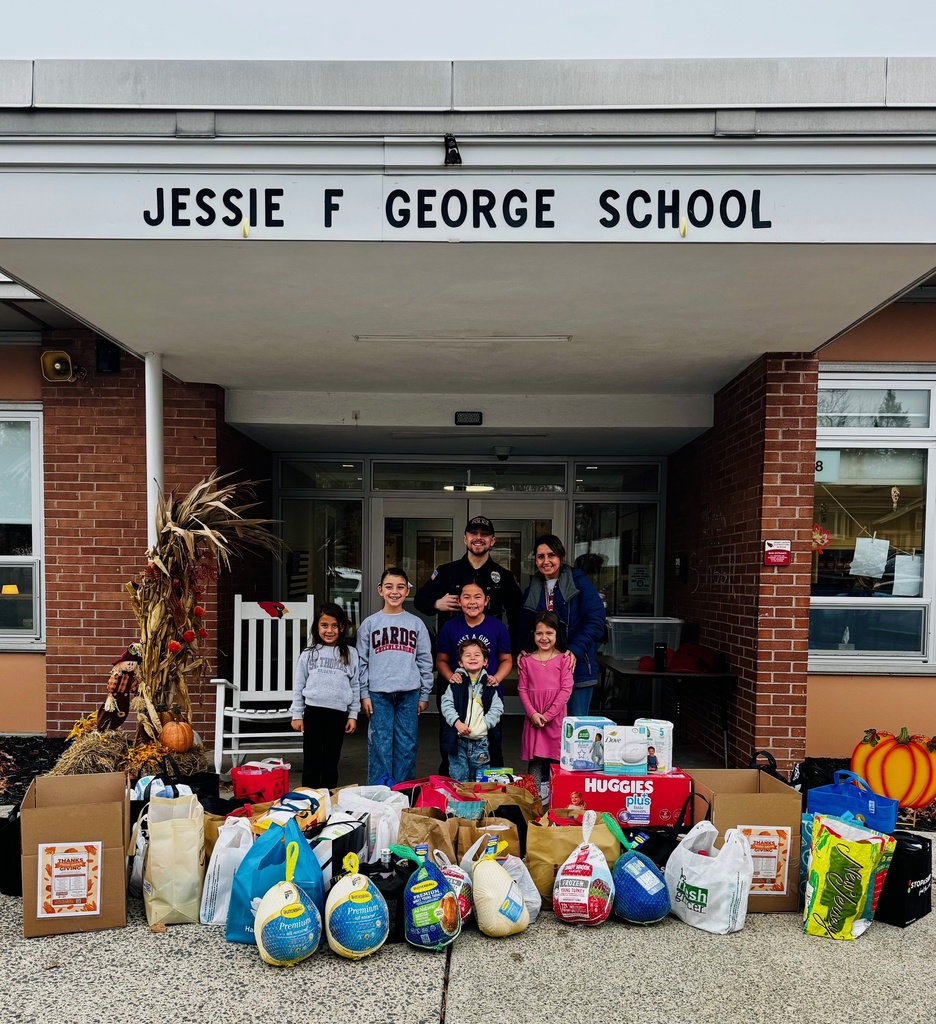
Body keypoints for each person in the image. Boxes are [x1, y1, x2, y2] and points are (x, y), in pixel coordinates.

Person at [357, 567, 434, 785]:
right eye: (389, 587)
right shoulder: (370, 624)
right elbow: (361, 662)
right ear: (380, 590)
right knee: (380, 743)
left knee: (406, 744)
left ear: (407, 591)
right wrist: (364, 694)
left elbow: (424, 660)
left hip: (409, 692)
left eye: (400, 587)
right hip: (378, 693)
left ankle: (402, 793)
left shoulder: (416, 623)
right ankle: (379, 793)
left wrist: (424, 694)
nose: (394, 591)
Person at [519, 534, 607, 718]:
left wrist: (575, 649)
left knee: (574, 731)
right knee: (547, 730)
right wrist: (523, 649)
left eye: (551, 555)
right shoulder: (532, 589)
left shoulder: (579, 582)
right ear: (535, 560)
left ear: (560, 557)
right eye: (540, 556)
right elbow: (525, 626)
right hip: (545, 675)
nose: (546, 561)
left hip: (577, 668)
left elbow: (596, 620)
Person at [436, 579, 512, 765]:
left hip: (487, 695)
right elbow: (441, 660)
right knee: (452, 749)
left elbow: (507, 660)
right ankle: (453, 788)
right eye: (466, 597)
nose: (472, 602)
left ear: (486, 601)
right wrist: (450, 677)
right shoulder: (450, 627)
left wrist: (496, 679)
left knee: (492, 747)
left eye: (477, 597)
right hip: (458, 697)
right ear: (459, 601)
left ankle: (489, 790)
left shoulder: (497, 627)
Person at [413, 515, 523, 641]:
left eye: (485, 534)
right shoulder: (446, 572)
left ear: (492, 540)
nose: (479, 537)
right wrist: (436, 604)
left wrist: (512, 649)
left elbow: (517, 617)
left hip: (490, 648)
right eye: (473, 533)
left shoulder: (504, 577)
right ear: (465, 539)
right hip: (451, 648)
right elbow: (419, 600)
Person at [290, 601, 360, 790]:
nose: (329, 630)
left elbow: (355, 685)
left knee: (331, 759)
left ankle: (328, 796)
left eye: (334, 625)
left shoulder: (350, 653)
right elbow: (298, 685)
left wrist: (353, 715)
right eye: (324, 625)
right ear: (316, 627)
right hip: (313, 712)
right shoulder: (309, 654)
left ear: (342, 627)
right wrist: (297, 714)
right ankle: (308, 797)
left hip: (338, 714)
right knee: (312, 758)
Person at [518, 611, 573, 801]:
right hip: (534, 717)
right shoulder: (526, 661)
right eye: (539, 633)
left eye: (549, 633)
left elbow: (566, 690)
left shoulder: (564, 660)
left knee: (556, 758)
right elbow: (522, 689)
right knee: (536, 759)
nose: (544, 638)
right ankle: (532, 798)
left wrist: (548, 715)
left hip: (555, 717)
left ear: (557, 634)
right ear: (533, 634)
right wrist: (533, 713)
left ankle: (557, 798)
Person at [440, 637, 504, 782]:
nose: (473, 658)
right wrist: (457, 723)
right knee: (459, 779)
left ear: (485, 661)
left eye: (477, 655)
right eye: (467, 655)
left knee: (480, 780)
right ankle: (460, 805)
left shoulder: (489, 685)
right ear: (460, 662)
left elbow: (497, 708)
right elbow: (446, 704)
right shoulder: (456, 684)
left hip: (482, 742)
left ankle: (479, 805)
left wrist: (484, 725)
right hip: (458, 742)